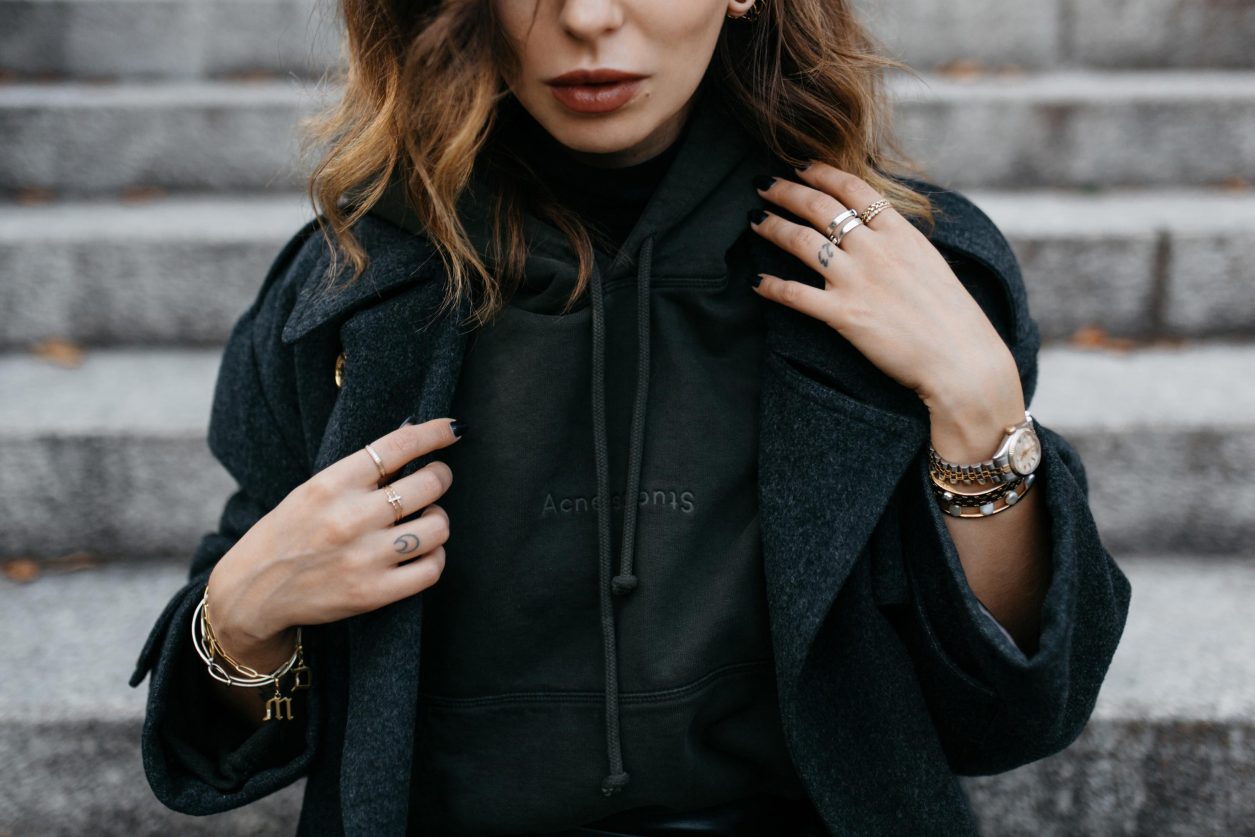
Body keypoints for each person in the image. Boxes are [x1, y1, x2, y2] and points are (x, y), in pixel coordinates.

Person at [128, 1, 1133, 835]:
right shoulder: (350, 289)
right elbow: (220, 743)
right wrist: (241, 614)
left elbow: (1015, 714)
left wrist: (981, 409)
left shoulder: (904, 278)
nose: (589, 19)